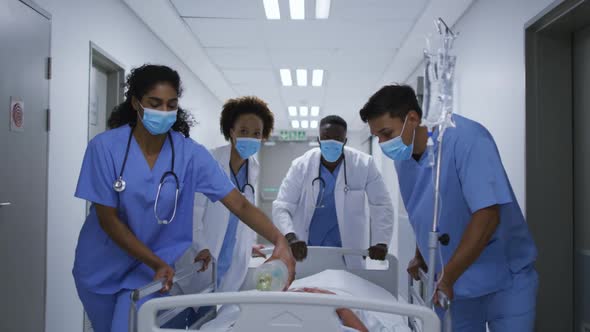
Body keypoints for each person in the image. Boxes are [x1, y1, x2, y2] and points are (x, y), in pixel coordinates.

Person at [72, 64, 295, 332]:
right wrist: (155, 261)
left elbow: (239, 203)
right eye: (155, 104)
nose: (164, 112)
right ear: (135, 103)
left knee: (127, 326)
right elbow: (107, 219)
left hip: (151, 270)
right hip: (101, 263)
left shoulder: (190, 155)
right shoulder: (105, 148)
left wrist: (279, 239)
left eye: (171, 104)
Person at [359, 84, 538, 331]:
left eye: (387, 134)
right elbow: (424, 210)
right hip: (455, 283)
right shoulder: (404, 159)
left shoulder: (468, 139)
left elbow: (487, 215)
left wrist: (448, 276)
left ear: (412, 118)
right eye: (377, 136)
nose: (382, 143)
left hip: (504, 278)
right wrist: (422, 255)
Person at [273, 115, 394, 263]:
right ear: (318, 140)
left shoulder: (364, 164)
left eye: (337, 138)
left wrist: (381, 241)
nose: (331, 142)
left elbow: (381, 204)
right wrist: (291, 237)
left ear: (345, 141)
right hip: (307, 249)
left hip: (348, 251)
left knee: (345, 285)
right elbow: (282, 206)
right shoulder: (301, 166)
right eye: (326, 137)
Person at [186, 96, 275, 292]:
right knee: (195, 307)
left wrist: (248, 244)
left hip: (232, 257)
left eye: (256, 133)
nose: (250, 137)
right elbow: (193, 212)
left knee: (220, 310)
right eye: (243, 131)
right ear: (231, 131)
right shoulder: (209, 160)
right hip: (203, 254)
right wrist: (200, 246)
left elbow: (244, 213)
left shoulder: (253, 168)